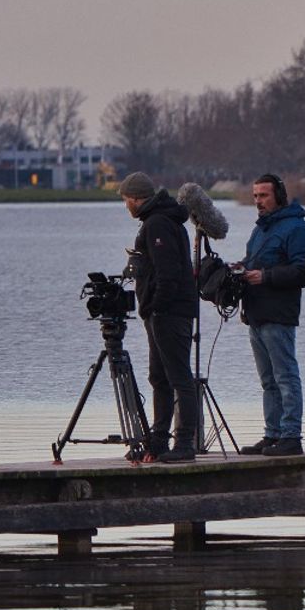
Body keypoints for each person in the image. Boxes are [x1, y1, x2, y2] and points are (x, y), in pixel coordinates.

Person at [119, 172, 199, 462]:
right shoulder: (161, 221)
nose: (126, 205)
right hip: (165, 313)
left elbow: (169, 274)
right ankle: (159, 441)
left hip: (169, 313)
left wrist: (154, 306)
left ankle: (185, 443)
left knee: (179, 377)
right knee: (159, 377)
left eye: (127, 200)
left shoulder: (157, 224)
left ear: (137, 198)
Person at [237, 173, 305, 456]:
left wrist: (266, 277)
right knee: (268, 381)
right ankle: (273, 435)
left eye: (264, 195)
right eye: (255, 196)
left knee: (285, 377)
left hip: (279, 315)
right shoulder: (261, 230)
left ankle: (291, 437)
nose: (258, 201)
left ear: (279, 196)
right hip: (256, 314)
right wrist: (241, 269)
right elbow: (255, 263)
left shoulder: (295, 227)